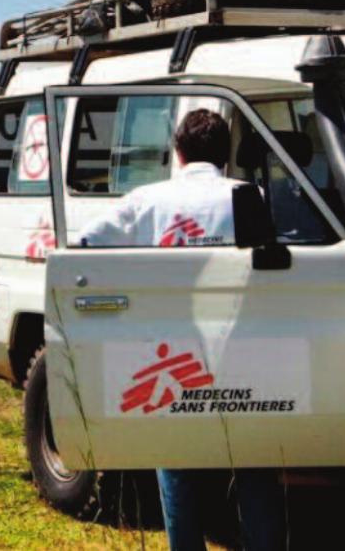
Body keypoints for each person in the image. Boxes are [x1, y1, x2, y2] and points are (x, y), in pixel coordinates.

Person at [79, 109, 285, 551]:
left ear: (178, 152)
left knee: (175, 463)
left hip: (171, 357)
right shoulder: (250, 195)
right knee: (254, 464)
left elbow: (85, 244)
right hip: (240, 351)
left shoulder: (146, 200)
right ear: (225, 153)